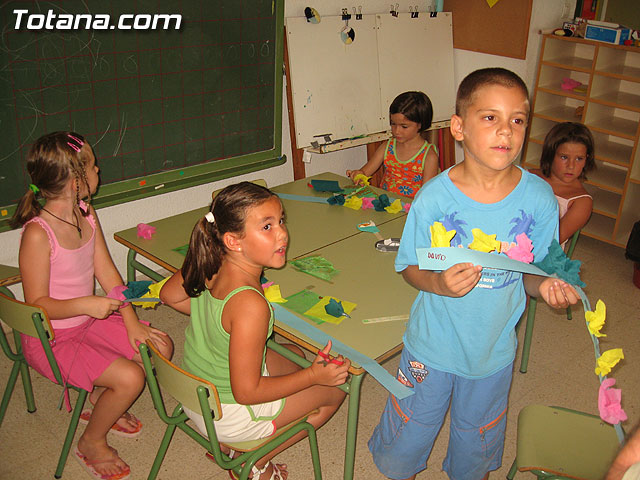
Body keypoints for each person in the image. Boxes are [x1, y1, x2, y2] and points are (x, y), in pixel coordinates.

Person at [367, 68, 580, 480]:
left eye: (517, 120)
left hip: (492, 352)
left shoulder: (538, 198)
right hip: (429, 347)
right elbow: (410, 267)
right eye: (490, 118)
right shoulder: (432, 198)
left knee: (477, 441)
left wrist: (549, 285)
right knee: (410, 428)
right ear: (459, 128)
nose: (506, 131)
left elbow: (534, 273)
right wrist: (438, 283)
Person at [159, 182, 350, 480]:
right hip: (229, 415)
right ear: (234, 241)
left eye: (281, 221)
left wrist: (222, 324)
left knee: (294, 354)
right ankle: (254, 461)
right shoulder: (250, 306)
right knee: (335, 389)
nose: (283, 233)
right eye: (267, 226)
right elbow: (246, 392)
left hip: (196, 395)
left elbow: (170, 296)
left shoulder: (211, 260)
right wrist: (315, 376)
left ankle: (236, 448)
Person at [11, 131, 174, 480]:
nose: (99, 169)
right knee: (131, 379)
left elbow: (108, 273)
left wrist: (131, 321)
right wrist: (86, 303)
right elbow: (37, 305)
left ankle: (100, 400)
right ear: (75, 181)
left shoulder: (85, 212)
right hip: (51, 338)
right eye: (93, 166)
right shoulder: (38, 234)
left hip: (86, 322)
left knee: (160, 345)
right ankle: (91, 441)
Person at [346, 91, 439, 198]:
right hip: (386, 207)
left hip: (412, 211)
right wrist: (357, 175)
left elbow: (426, 196)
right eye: (393, 124)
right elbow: (364, 172)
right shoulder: (387, 147)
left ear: (420, 125)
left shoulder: (429, 156)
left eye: (404, 126)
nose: (397, 131)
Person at [530, 121, 595, 248]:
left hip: (539, 255)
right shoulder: (528, 176)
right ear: (550, 155)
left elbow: (550, 242)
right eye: (564, 157)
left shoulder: (581, 201)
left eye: (579, 159)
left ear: (587, 159)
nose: (571, 166)